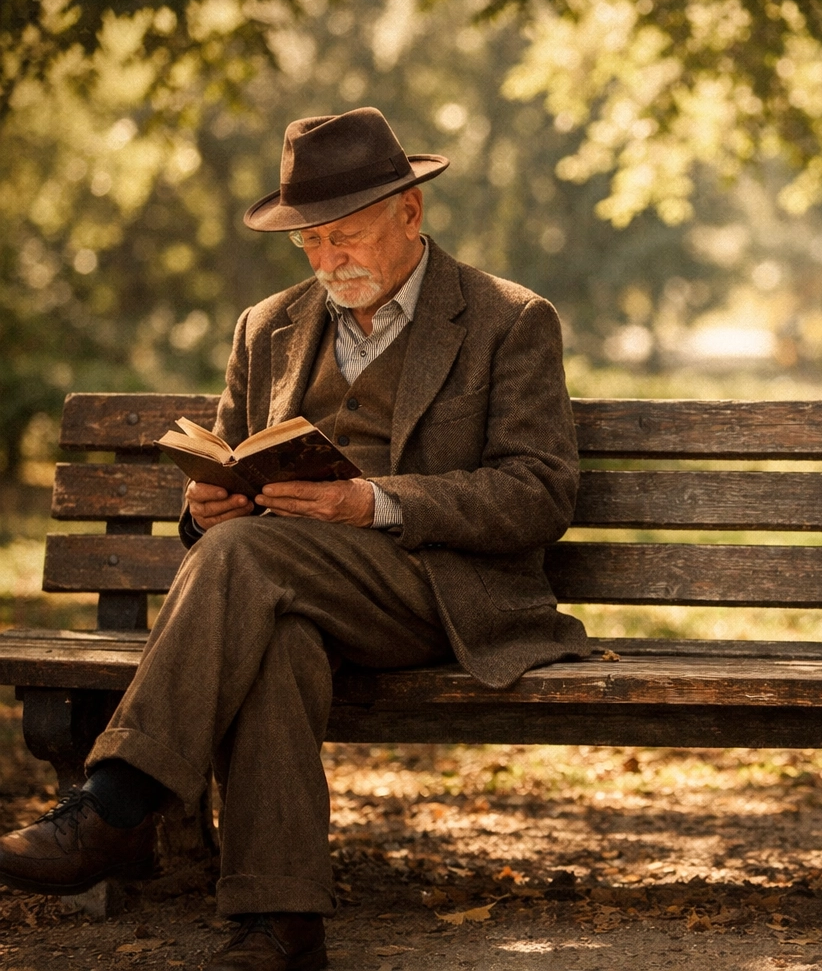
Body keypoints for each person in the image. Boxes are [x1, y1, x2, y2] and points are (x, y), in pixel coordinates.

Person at [0, 107, 587, 970]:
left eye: (343, 236)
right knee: (272, 631)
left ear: (410, 215)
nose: (325, 261)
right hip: (280, 580)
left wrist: (376, 502)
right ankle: (281, 925)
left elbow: (539, 492)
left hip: (438, 593)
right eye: (307, 244)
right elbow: (229, 466)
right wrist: (209, 508)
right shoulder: (265, 326)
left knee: (247, 563)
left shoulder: (509, 319)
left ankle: (118, 805)